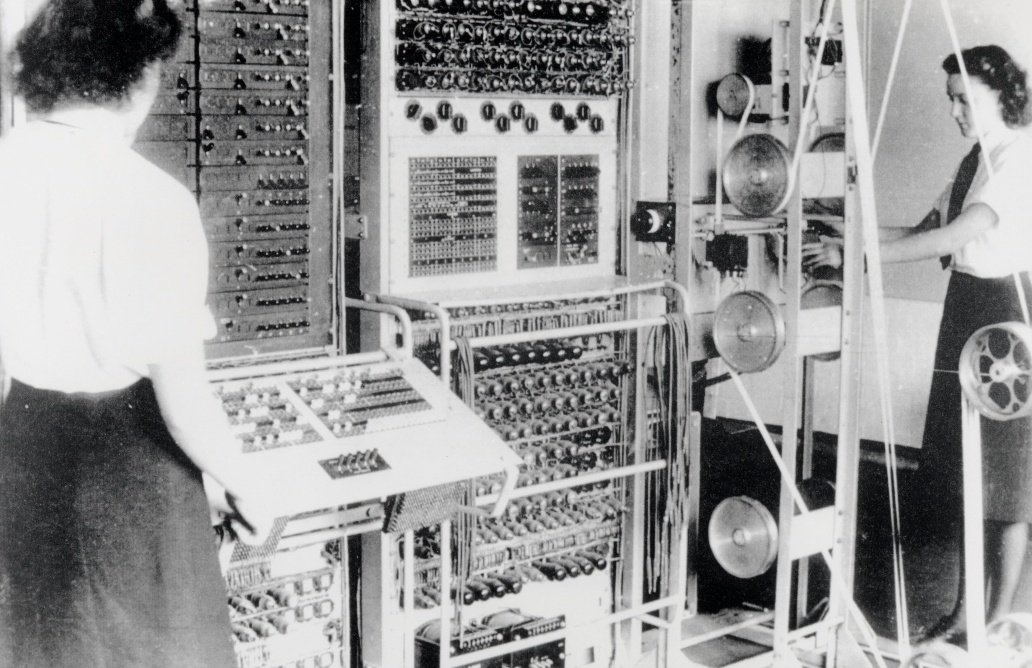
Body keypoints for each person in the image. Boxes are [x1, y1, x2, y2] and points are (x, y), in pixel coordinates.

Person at [0, 1, 274, 665]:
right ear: (140, 77)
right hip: (133, 478)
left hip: (22, 457)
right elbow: (184, 406)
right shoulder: (151, 198)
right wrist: (248, 487)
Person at [804, 44, 1032, 639]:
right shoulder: (975, 159)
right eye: (951, 100)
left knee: (1006, 478)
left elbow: (955, 237)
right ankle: (963, 613)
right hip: (967, 308)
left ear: (1000, 95)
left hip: (1007, 319)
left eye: (965, 100)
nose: (955, 112)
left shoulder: (1019, 157)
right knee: (967, 470)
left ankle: (997, 619)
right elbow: (925, 228)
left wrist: (858, 255)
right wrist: (848, 234)